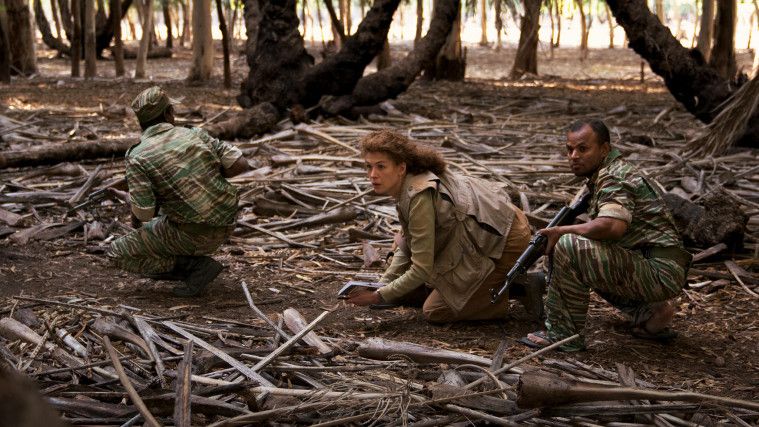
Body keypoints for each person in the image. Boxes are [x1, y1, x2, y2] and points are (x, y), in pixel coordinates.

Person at [522, 119, 691, 352]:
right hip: (659, 266)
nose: (573, 156)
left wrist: (562, 231)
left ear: (604, 149)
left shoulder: (613, 176)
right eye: (569, 149)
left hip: (659, 270)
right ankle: (653, 312)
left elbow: (612, 226)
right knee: (588, 251)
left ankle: (563, 335)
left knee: (569, 246)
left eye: (583, 149)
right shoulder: (607, 173)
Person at [346, 130, 536, 323]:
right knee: (401, 284)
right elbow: (407, 242)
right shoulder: (407, 184)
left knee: (436, 311)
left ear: (401, 168)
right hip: (477, 233)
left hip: (504, 238)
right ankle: (478, 287)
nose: (372, 175)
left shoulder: (418, 194)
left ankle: (514, 290)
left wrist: (378, 296)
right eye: (368, 167)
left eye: (381, 167)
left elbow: (421, 268)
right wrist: (383, 284)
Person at [107, 86, 250, 297]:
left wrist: (132, 198)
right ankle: (195, 265)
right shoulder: (195, 134)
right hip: (227, 223)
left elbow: (144, 215)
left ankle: (196, 268)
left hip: (191, 234)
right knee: (170, 211)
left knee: (116, 253)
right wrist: (204, 175)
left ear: (141, 122)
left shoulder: (138, 155)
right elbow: (240, 163)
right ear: (168, 114)